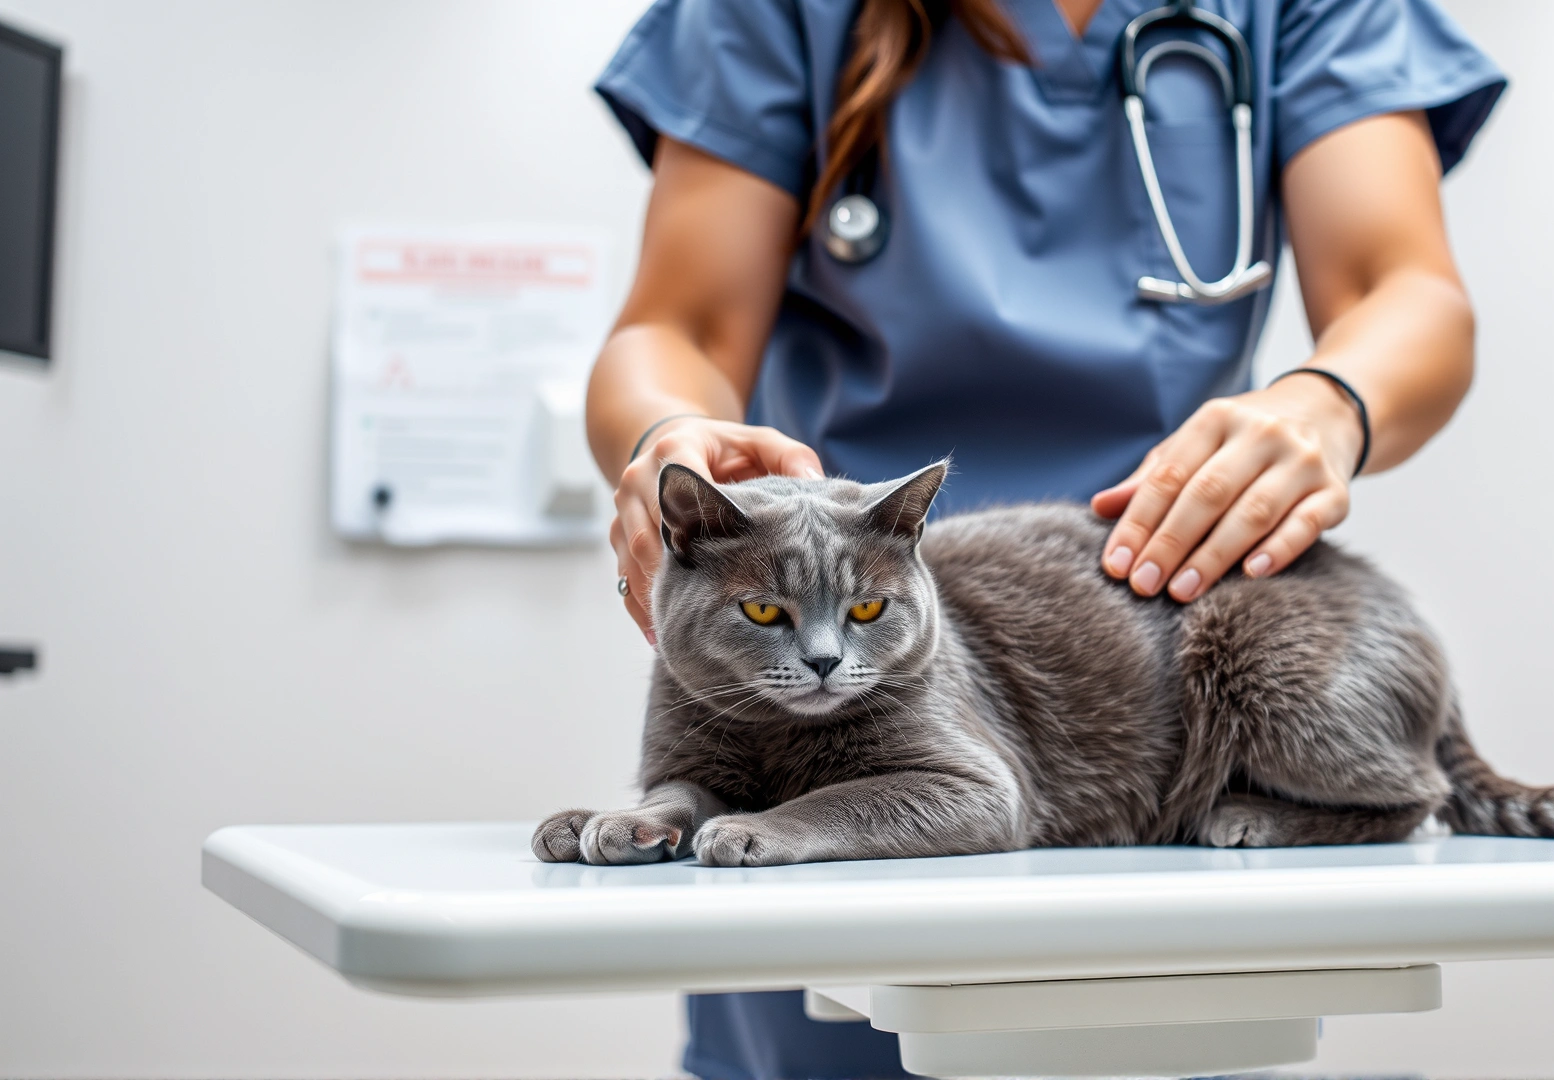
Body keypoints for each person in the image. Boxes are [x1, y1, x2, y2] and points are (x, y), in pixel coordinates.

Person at [582, 0, 1503, 1076]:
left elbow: (1409, 294)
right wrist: (670, 436)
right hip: (843, 615)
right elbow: (676, 328)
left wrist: (1331, 399)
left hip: (1154, 625)